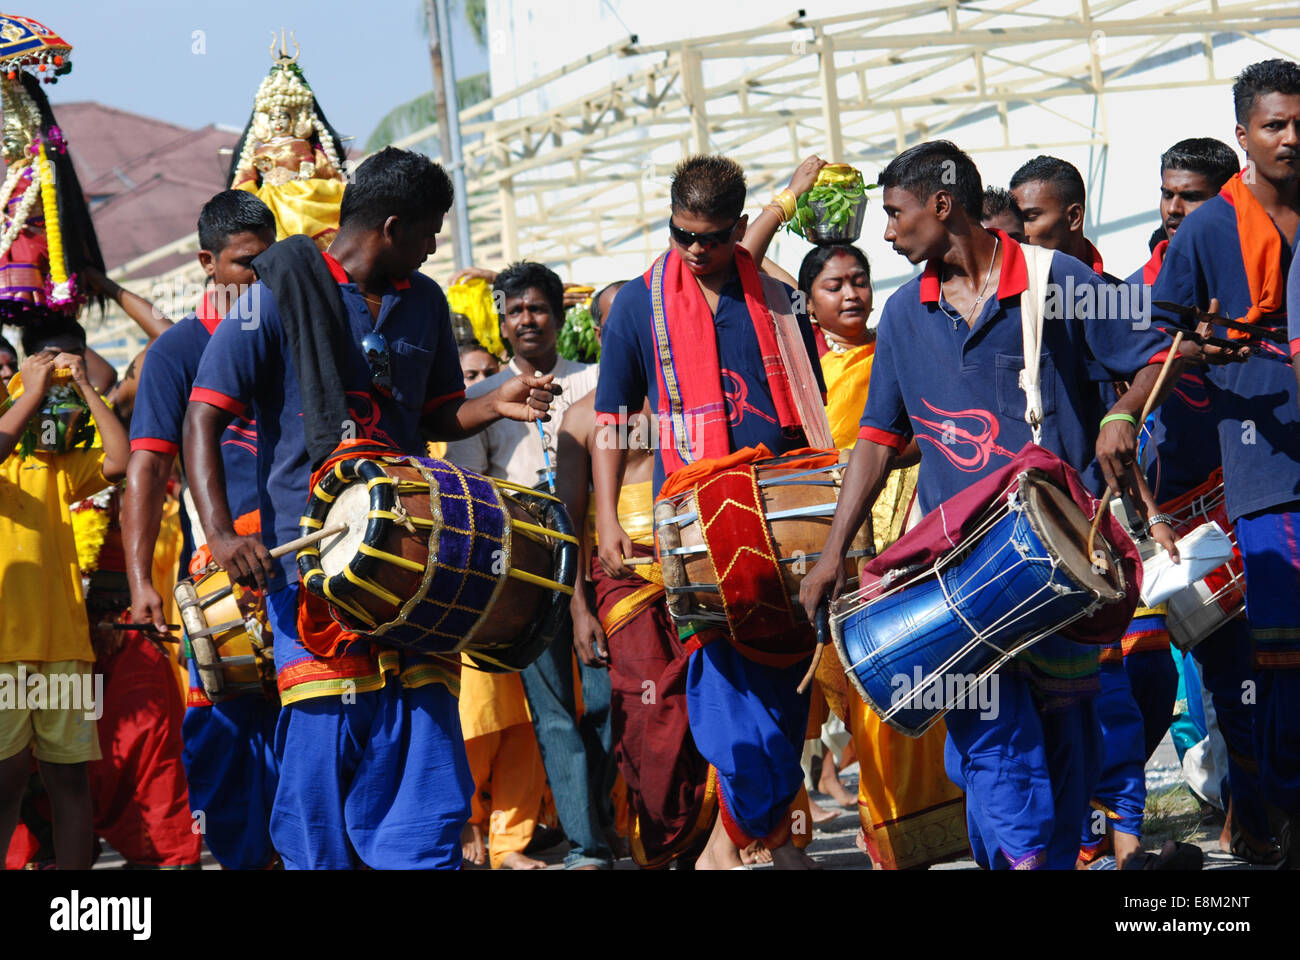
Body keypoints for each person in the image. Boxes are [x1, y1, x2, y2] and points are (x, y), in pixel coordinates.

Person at [800, 140, 1183, 871]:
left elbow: (1153, 357)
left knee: (1068, 741)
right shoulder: (906, 316)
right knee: (995, 742)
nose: (884, 233)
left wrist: (1120, 416)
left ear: (942, 206)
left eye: (894, 214)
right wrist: (830, 556)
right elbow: (878, 442)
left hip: (1063, 562)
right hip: (957, 576)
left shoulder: (1058, 278)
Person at [185, 147, 559, 869]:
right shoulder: (275, 290)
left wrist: (494, 404)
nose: (433, 247)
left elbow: (439, 413)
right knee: (325, 737)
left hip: (414, 553)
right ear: (391, 226)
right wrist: (226, 535)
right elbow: (203, 416)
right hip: (311, 562)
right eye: (428, 232)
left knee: (424, 730)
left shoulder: (423, 299)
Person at [595, 154, 828, 870]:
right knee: (729, 705)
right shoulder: (640, 303)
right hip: (696, 535)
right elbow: (611, 419)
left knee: (787, 697)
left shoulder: (779, 299)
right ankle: (750, 850)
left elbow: (813, 408)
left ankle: (736, 847)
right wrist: (606, 519)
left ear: (736, 228)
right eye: (681, 233)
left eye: (712, 236)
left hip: (785, 521)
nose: (695, 249)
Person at [1155, 58, 1300, 867]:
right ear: (1243, 134)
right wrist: (1198, 347)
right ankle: (1274, 811)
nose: (1291, 137)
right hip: (1263, 474)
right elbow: (1158, 337)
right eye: (1274, 124)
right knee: (1278, 659)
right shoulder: (1211, 228)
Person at [1119, 137, 1277, 865]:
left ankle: (1249, 820)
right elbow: (1104, 413)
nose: (1176, 209)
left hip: (1236, 523)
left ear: (1228, 204)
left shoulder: (1262, 290)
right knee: (1140, 683)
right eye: (1167, 193)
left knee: (1246, 687)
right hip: (1149, 532)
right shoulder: (1125, 299)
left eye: (1194, 197)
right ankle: (1110, 829)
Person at [122, 189, 281, 870]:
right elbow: (147, 470)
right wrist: (139, 582)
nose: (258, 277)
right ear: (206, 263)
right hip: (219, 576)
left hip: (299, 559)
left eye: (269, 261)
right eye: (245, 263)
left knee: (303, 723)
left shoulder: (290, 333)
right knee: (223, 729)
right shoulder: (175, 353)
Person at [444, 260, 616, 870]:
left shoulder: (596, 381)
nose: (527, 320)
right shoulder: (476, 401)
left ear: (559, 315)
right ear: (502, 322)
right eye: (515, 311)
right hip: (523, 575)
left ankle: (607, 819)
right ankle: (588, 845)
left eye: (537, 308)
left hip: (599, 558)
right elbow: (469, 488)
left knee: (605, 700)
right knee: (550, 712)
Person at [559, 280, 718, 868]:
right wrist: (578, 609)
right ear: (601, 332)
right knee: (648, 710)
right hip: (623, 583)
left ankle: (712, 844)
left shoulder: (689, 402)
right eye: (615, 321)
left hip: (695, 568)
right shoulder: (580, 419)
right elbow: (569, 523)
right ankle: (663, 844)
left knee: (708, 700)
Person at [0, 321, 129, 869]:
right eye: (2, 367)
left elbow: (120, 461)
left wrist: (86, 386)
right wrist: (30, 392)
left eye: (12, 364)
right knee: (3, 783)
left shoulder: (48, 453)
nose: (8, 371)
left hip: (62, 646)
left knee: (69, 782)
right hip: (2, 653)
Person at [229, 42, 347, 249]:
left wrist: (307, 171)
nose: (278, 123)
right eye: (273, 119)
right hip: (268, 196)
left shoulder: (302, 145)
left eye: (283, 117)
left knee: (304, 220)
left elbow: (323, 169)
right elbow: (245, 177)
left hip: (300, 193)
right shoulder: (259, 150)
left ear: (293, 120)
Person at [1010, 155, 1115, 280]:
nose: (1016, 231)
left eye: (1030, 217)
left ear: (1074, 217)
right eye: (1015, 219)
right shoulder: (994, 294)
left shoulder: (1122, 296)